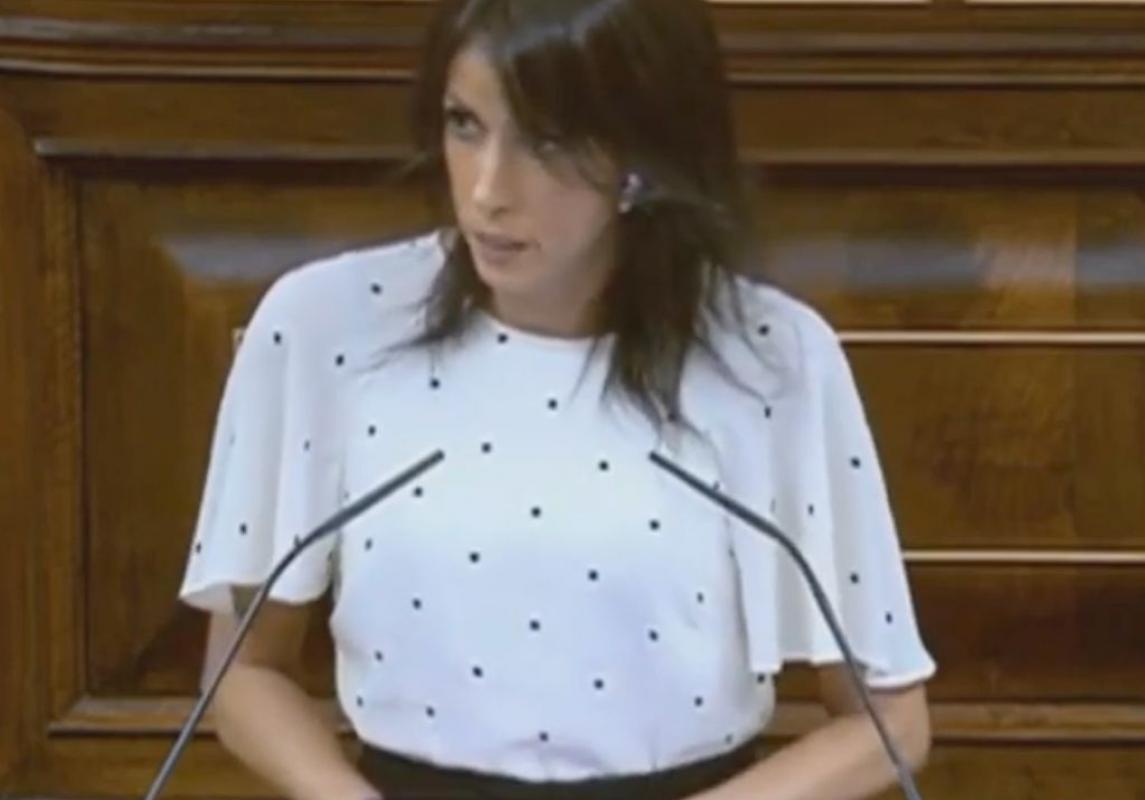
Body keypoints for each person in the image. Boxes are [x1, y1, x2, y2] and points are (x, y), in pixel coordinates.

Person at [178, 0, 937, 798]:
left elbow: (890, 723)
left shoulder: (773, 357)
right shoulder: (324, 327)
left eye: (546, 142)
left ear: (644, 154)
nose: (487, 191)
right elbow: (243, 672)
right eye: (465, 124)